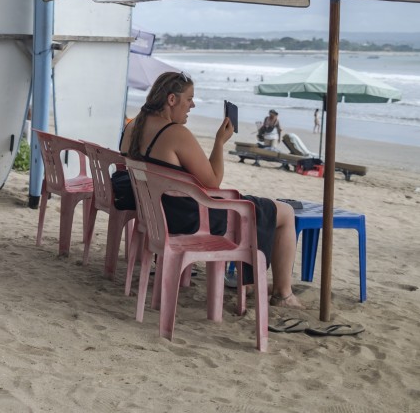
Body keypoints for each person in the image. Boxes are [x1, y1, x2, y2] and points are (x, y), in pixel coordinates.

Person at [116, 72, 303, 308]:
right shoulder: (175, 134)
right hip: (187, 219)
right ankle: (283, 294)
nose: (193, 105)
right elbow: (213, 183)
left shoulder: (134, 126)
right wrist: (219, 142)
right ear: (171, 100)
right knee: (284, 212)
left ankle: (254, 284)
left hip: (156, 215)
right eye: (189, 99)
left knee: (260, 207)